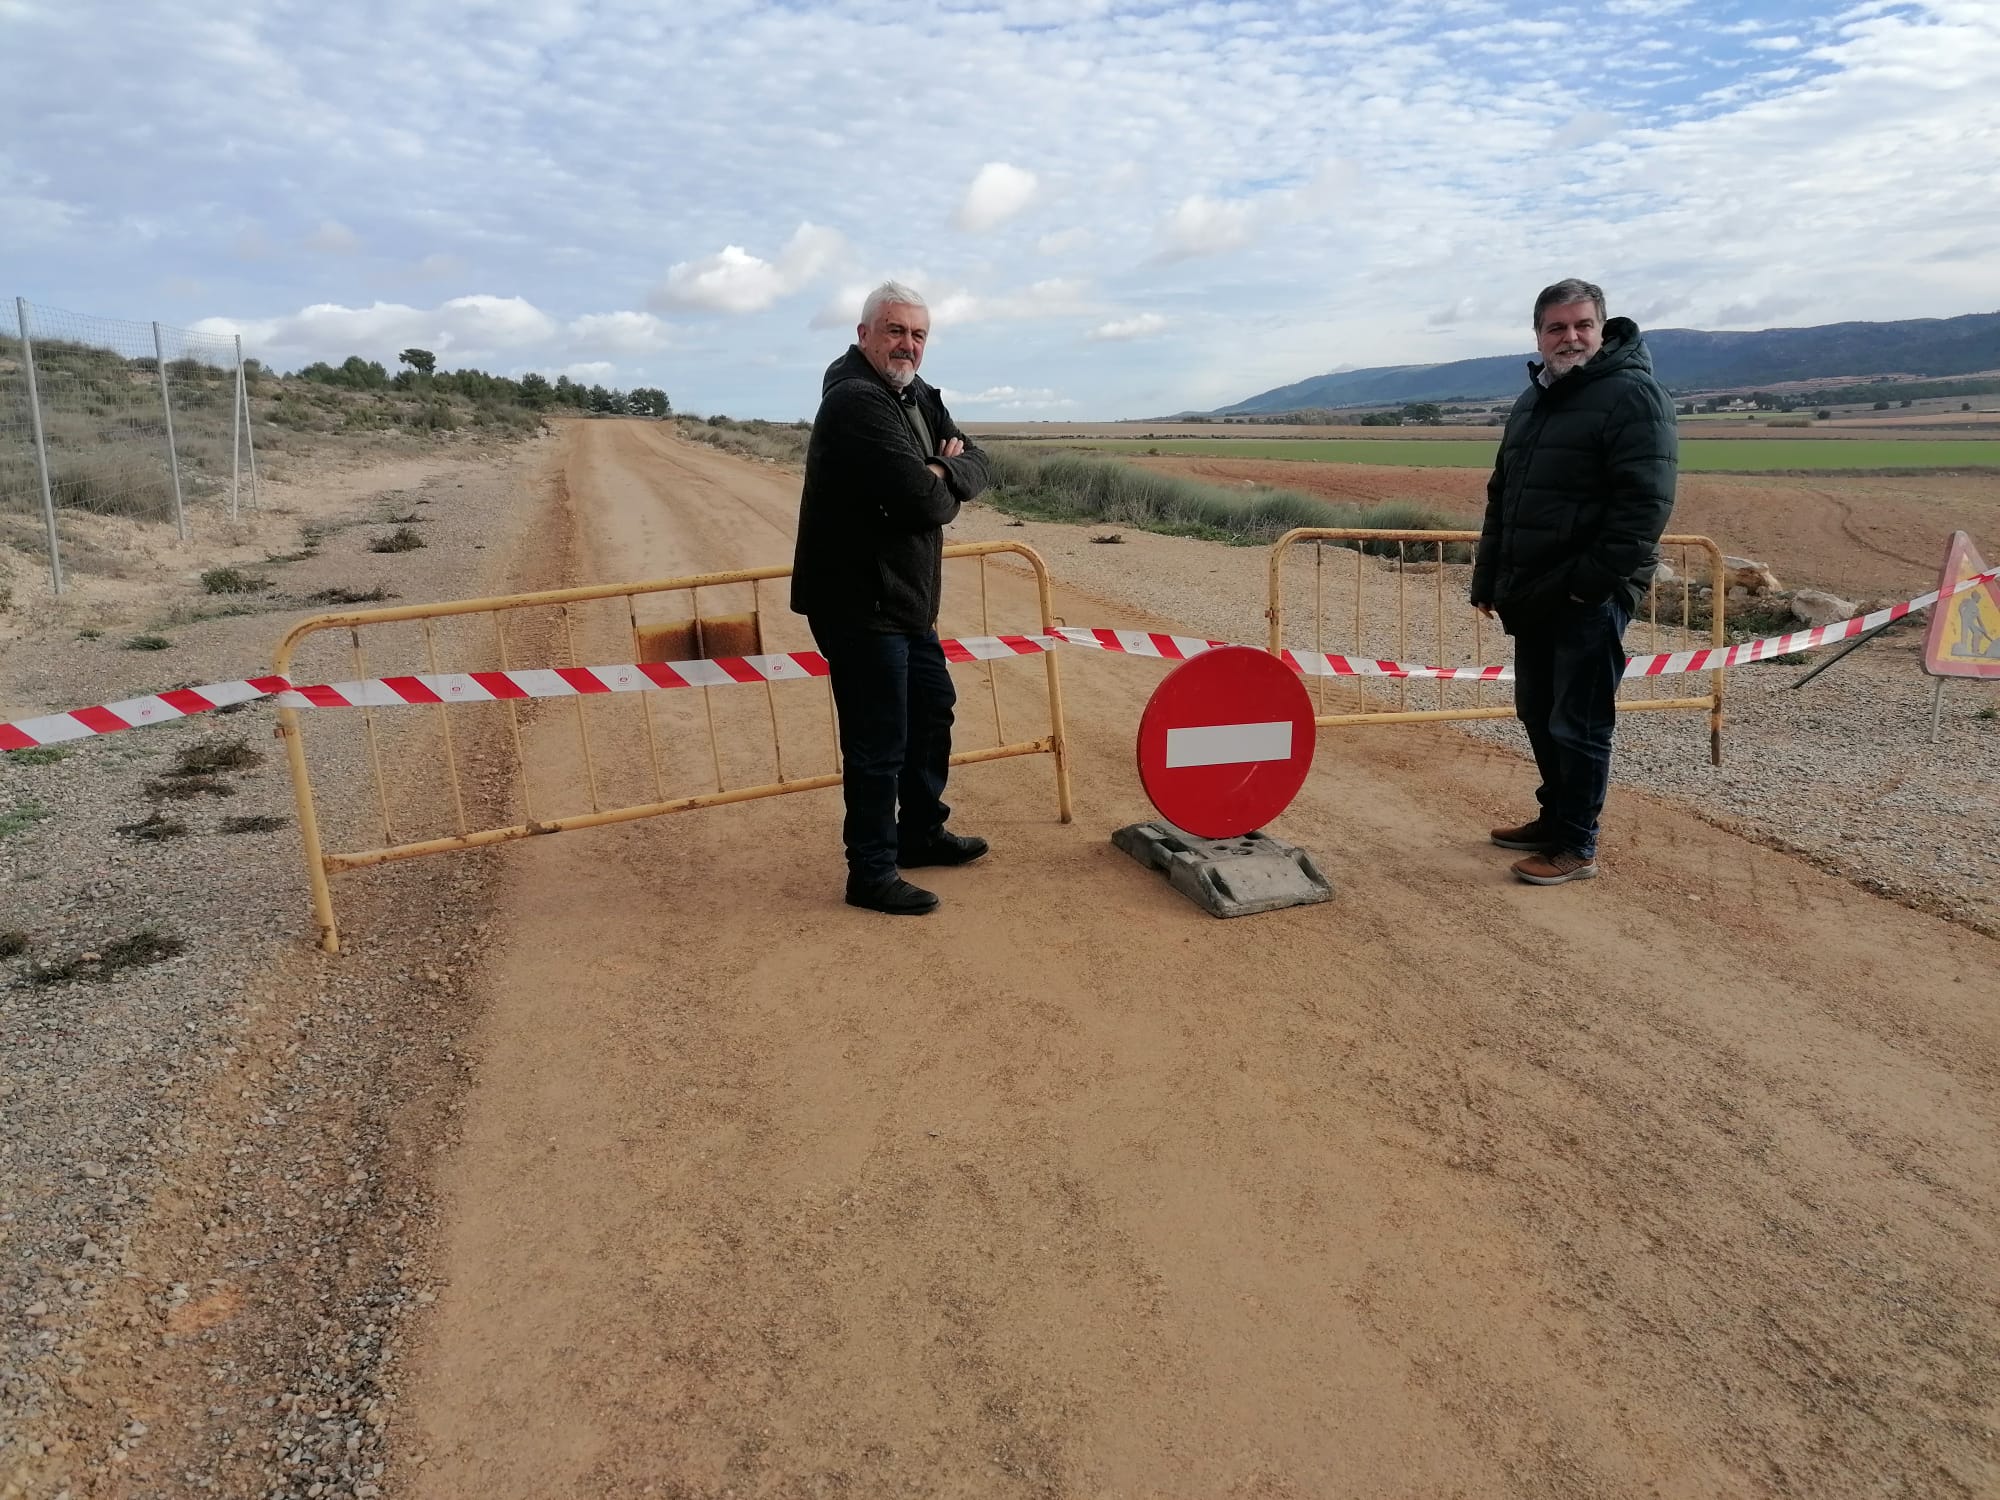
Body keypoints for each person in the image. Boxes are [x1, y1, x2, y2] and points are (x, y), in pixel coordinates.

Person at [792, 281, 993, 915]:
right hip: (858, 600)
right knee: (878, 740)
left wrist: (946, 468)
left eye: (918, 334)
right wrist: (938, 471)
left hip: (906, 601)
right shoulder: (856, 401)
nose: (907, 343)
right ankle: (870, 872)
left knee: (931, 712)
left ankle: (920, 833)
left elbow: (981, 462)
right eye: (894, 330)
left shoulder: (918, 395)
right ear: (864, 335)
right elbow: (922, 500)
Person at [1470, 278, 1678, 885]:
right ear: (1539, 334)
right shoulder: (1535, 398)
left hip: (1587, 595)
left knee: (1579, 722)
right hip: (1534, 590)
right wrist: (1489, 576)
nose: (1571, 337)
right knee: (1537, 709)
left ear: (1602, 327)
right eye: (1557, 327)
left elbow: (1644, 505)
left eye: (1582, 325)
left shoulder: (1632, 395)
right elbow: (1504, 495)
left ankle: (1577, 846)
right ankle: (1555, 817)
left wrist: (1591, 585)